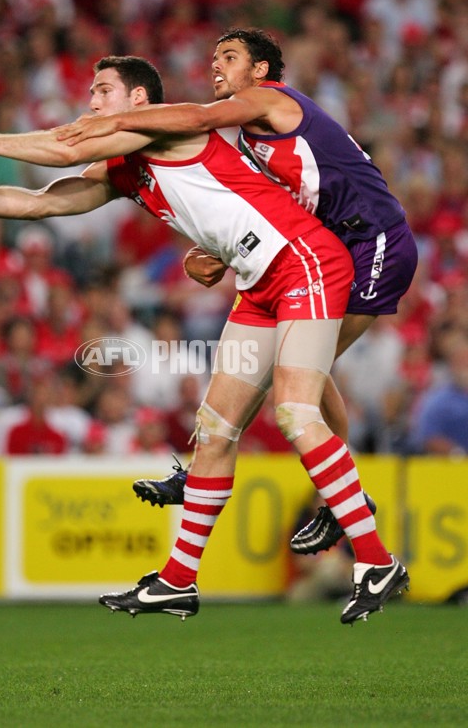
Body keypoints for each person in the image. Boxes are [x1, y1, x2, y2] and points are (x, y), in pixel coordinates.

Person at [0, 55, 408, 624]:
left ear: (139, 100)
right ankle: (177, 582)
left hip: (306, 265)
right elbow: (40, 201)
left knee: (294, 411)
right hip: (258, 282)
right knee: (214, 432)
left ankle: (375, 561)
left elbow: (67, 147)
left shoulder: (163, 124)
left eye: (103, 91)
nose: (92, 102)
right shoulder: (124, 166)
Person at [57, 27, 418, 552]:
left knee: (287, 374)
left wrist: (111, 122)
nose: (216, 65)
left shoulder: (267, 101)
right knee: (287, 373)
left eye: (229, 56)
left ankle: (334, 499)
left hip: (375, 240)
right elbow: (265, 211)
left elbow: (198, 117)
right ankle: (332, 496)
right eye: (214, 57)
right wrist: (217, 255)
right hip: (339, 245)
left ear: (262, 71)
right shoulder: (249, 135)